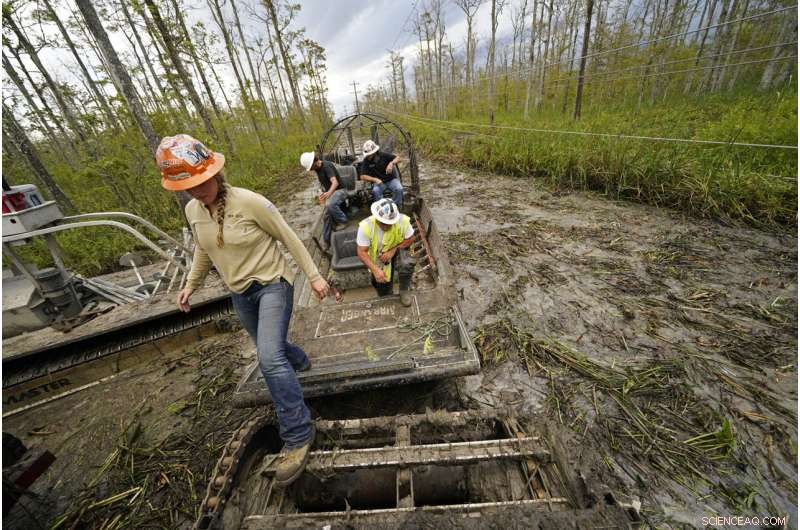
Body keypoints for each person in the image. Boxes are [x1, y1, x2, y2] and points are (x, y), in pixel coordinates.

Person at [157, 134, 329, 488]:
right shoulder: (192, 211)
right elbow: (205, 251)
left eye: (202, 182)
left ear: (216, 173)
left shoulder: (252, 203)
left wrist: (314, 277)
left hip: (272, 284)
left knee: (267, 358)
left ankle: (298, 435)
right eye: (189, 186)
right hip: (240, 292)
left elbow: (290, 238)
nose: (197, 191)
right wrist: (191, 285)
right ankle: (299, 360)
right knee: (275, 349)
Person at [356, 198, 415, 306]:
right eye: (383, 223)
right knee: (381, 281)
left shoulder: (402, 221)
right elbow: (361, 252)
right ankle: (386, 294)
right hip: (379, 256)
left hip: (398, 249)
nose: (386, 226)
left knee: (406, 264)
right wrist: (375, 270)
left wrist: (393, 250)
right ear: (377, 218)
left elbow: (411, 238)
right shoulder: (366, 227)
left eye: (390, 223)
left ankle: (404, 289)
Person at [300, 151, 348, 249]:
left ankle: (343, 221)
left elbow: (335, 183)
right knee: (326, 216)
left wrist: (328, 194)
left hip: (341, 191)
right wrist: (322, 192)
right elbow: (325, 184)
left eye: (311, 167)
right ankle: (327, 241)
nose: (311, 170)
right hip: (333, 193)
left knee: (330, 205)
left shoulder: (326, 166)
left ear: (314, 162)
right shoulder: (318, 169)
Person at [357, 140, 403, 206]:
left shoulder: (384, 155)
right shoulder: (366, 161)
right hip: (379, 183)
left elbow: (399, 158)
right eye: (367, 155)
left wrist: (391, 163)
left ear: (374, 152)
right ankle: (381, 207)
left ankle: (395, 205)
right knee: (376, 191)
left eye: (369, 155)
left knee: (399, 189)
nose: (368, 156)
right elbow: (362, 176)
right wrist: (375, 179)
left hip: (391, 180)